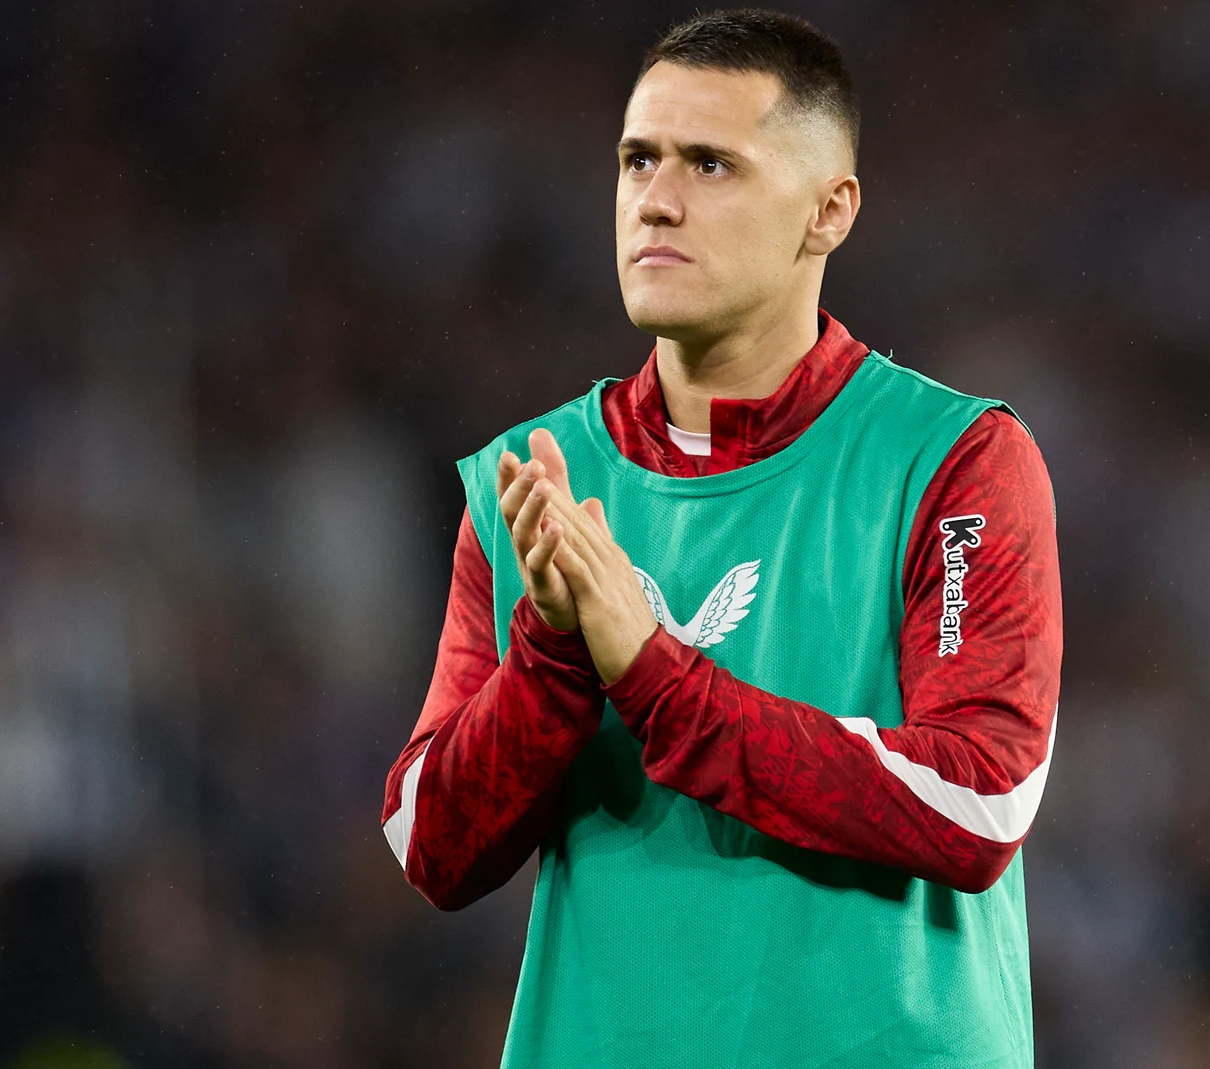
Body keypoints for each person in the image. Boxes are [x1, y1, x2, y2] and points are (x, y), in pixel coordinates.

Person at [379, 9, 1063, 1067]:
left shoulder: (954, 459)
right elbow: (432, 843)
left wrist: (652, 675)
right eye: (636, 159)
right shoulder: (533, 480)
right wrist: (554, 654)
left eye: (711, 164)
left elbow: (976, 798)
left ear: (827, 213)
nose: (655, 199)